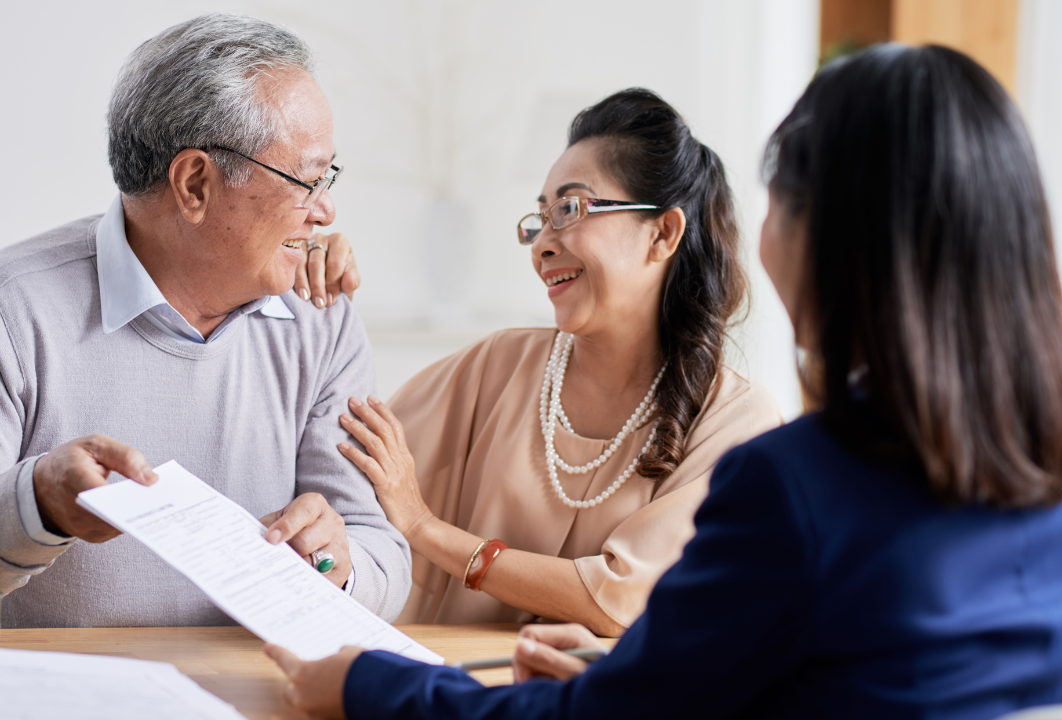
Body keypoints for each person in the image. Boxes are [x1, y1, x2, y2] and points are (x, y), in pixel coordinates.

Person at [266, 44, 1062, 719]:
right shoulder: (1039, 485)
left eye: (777, 200)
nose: (545, 241)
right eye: (540, 216)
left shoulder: (788, 484)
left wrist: (369, 684)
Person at [0, 14, 411, 633]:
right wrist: (34, 506)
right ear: (195, 183)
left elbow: (381, 554)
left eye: (328, 177)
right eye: (306, 180)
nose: (327, 210)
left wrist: (338, 567)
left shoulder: (321, 319)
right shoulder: (0, 312)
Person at [314, 89, 783, 636]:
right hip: (444, 691)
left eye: (570, 209)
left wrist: (424, 527)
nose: (542, 244)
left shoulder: (737, 421)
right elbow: (335, 452)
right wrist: (309, 287)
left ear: (663, 233)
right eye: (540, 217)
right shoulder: (498, 365)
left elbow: (620, 599)